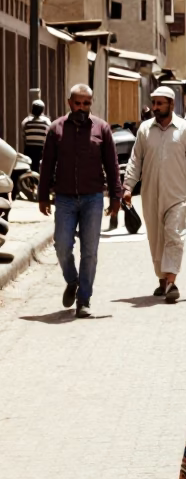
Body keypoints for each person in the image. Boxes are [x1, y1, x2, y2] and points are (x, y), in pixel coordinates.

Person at [38, 84, 122, 317]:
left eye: (87, 103)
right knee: (62, 245)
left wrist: (116, 195)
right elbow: (47, 165)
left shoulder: (102, 129)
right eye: (78, 103)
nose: (82, 107)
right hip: (64, 199)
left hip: (93, 198)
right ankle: (72, 280)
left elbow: (112, 165)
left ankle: (84, 299)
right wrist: (43, 196)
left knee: (90, 251)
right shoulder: (56, 129)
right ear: (69, 103)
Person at [123, 87, 186, 303]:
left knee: (174, 234)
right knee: (156, 237)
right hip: (151, 193)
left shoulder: (185, 129)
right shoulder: (144, 130)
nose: (155, 108)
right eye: (154, 103)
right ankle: (162, 278)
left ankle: (170, 281)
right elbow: (135, 160)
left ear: (171, 104)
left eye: (160, 103)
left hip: (177, 194)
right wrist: (128, 187)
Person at [21, 99, 52, 173]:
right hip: (41, 150)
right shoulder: (47, 122)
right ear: (42, 110)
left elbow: (24, 136)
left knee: (29, 167)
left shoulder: (26, 121)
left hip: (29, 149)